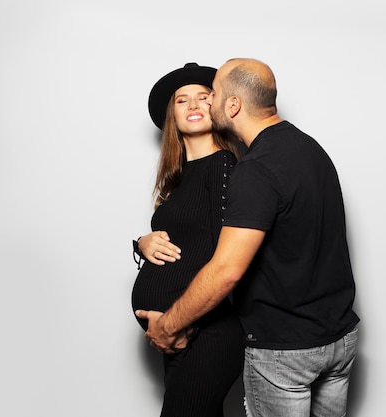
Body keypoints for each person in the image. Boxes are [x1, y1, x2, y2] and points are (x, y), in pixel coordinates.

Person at [136, 58, 360, 417]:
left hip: (282, 347)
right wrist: (143, 244)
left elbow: (226, 267)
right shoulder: (306, 147)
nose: (202, 104)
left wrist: (169, 327)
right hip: (332, 335)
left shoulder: (250, 170)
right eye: (183, 99)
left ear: (233, 104)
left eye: (211, 96)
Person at [131, 62, 245, 417]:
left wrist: (181, 324)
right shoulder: (178, 178)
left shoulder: (225, 167)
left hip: (203, 333)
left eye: (203, 97)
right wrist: (141, 244)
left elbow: (230, 258)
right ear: (172, 116)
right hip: (175, 336)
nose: (194, 105)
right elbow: (185, 238)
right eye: (182, 101)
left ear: (220, 106)